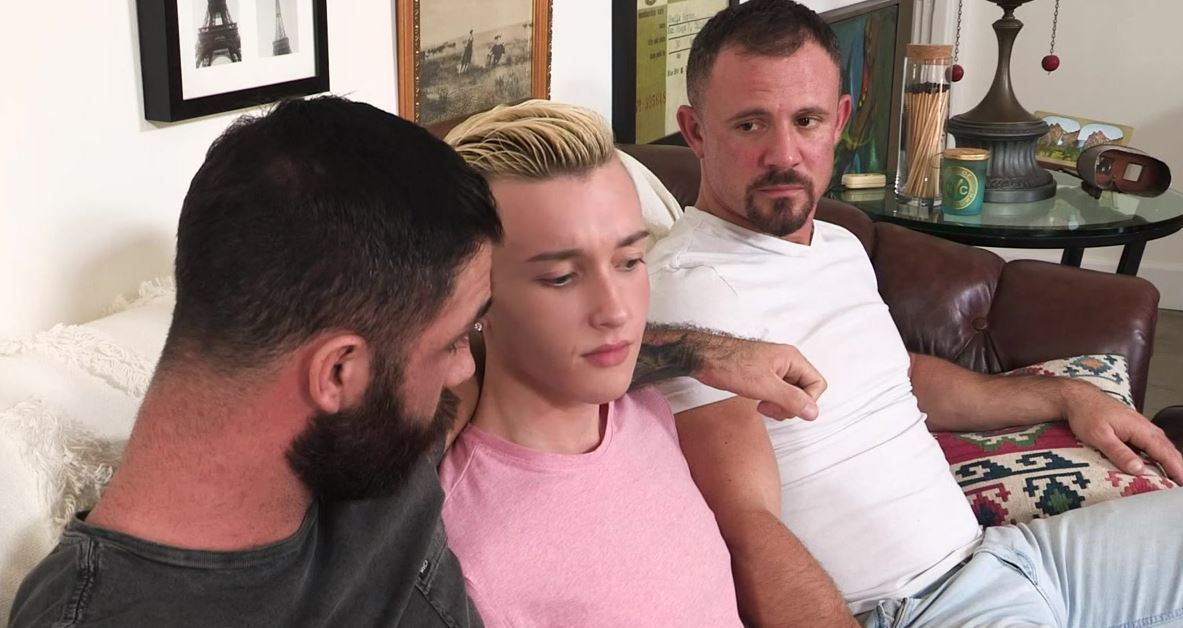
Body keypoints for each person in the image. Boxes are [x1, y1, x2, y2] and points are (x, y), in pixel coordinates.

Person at [10, 96, 826, 627]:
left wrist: (703, 351)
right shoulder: (102, 613)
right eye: (452, 345)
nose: (467, 371)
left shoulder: (374, 457)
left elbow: (554, 354)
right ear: (339, 374)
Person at [646, 1, 1183, 627]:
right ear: (695, 131)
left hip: (1010, 558)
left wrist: (1067, 397)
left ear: (840, 120)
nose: (784, 153)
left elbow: (896, 374)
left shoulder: (838, 245)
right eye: (750, 124)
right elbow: (744, 524)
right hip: (917, 608)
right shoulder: (690, 290)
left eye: (807, 120)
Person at [438, 101, 748, 627]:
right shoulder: (473, 550)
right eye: (561, 277)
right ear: (473, 295)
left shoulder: (650, 411)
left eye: (629, 262)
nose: (616, 311)